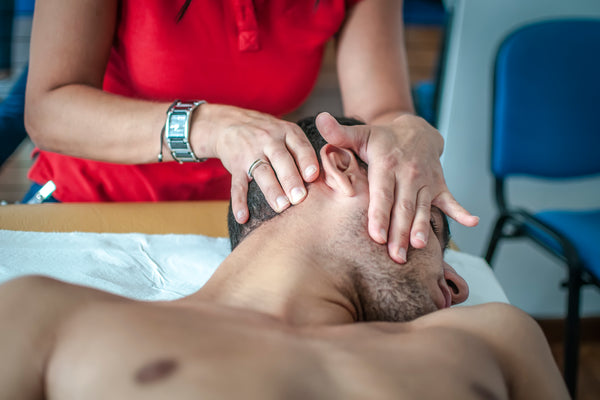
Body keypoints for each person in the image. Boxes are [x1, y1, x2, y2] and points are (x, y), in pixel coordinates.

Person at [0, 116, 568, 399]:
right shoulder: (46, 314)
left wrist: (414, 129)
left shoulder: (499, 336)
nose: (460, 286)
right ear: (343, 168)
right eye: (436, 226)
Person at [24, 0, 478, 264]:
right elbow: (48, 109)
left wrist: (407, 129)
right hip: (92, 202)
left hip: (236, 226)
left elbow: (381, 111)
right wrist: (207, 126)